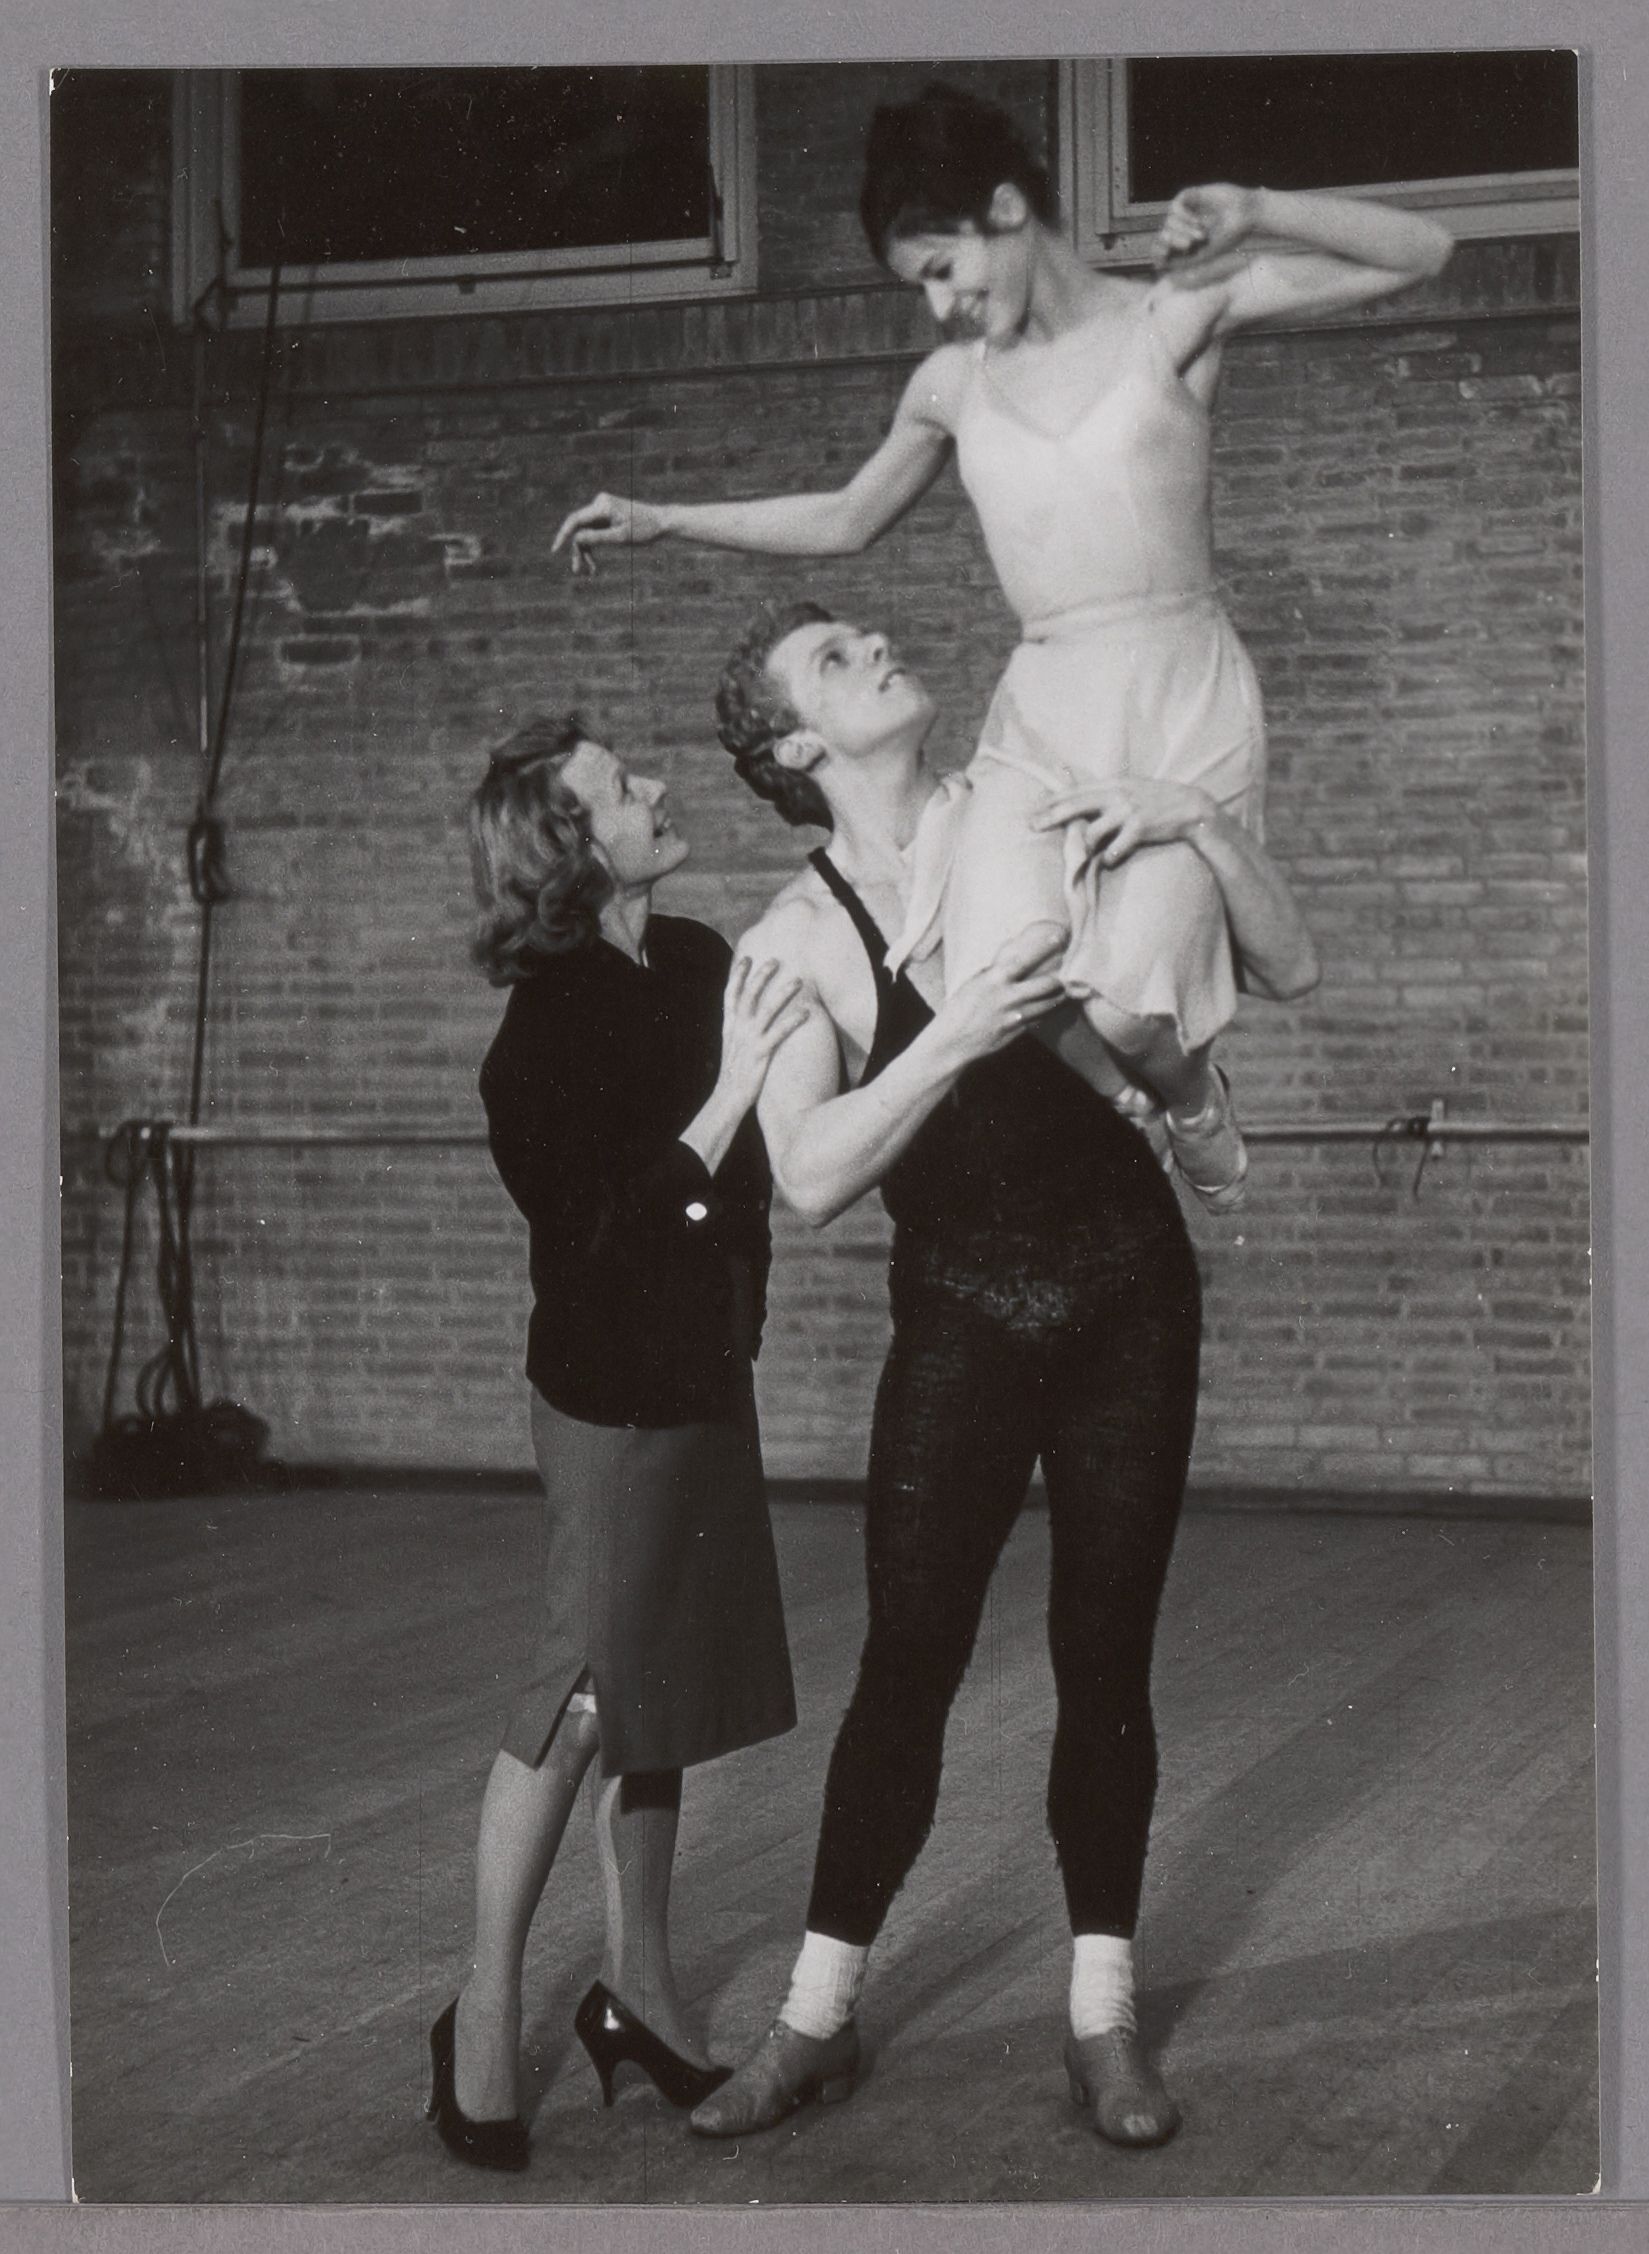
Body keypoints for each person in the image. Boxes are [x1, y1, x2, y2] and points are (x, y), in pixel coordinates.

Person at [551, 82, 1448, 1212]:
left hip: (1173, 683)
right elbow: (842, 517)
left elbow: (1421, 249)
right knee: (993, 966)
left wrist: (1258, 205)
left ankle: (1190, 1102)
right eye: (918, 282)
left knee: (1128, 1005)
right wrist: (667, 519)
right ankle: (1127, 1104)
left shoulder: (1168, 317)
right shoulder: (951, 386)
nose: (938, 305)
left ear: (1007, 211)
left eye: (942, 268)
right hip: (1046, 696)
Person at [680, 602, 1318, 2148]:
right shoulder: (793, 942)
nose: (876, 645)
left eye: (863, 634)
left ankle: (1101, 2022)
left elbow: (1288, 959)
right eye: (833, 659)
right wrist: (957, 1025)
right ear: (793, 751)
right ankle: (814, 2022)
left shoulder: (1032, 805)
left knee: (1107, 1662)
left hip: (1126, 1299)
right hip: (959, 1312)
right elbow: (814, 1173)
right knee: (909, 1662)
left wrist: (1196, 818)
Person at [426, 713, 808, 2171]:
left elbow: (744, 1184)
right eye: (622, 790)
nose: (657, 792)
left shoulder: (704, 959)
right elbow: (608, 1238)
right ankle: (480, 2015)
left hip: (706, 1376)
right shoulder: (536, 1047)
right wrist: (726, 1102)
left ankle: (641, 1988)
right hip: (606, 1404)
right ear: (576, 852)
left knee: (664, 1689)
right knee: (584, 1690)